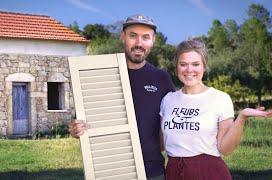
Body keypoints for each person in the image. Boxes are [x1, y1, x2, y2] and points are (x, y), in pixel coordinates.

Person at [69, 14, 175, 179]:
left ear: (153, 41)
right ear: (122, 37)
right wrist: (77, 129)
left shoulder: (162, 78)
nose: (139, 43)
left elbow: (174, 124)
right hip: (110, 171)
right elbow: (83, 120)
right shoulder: (99, 75)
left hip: (153, 172)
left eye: (145, 37)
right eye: (133, 36)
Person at [160, 38, 272, 180]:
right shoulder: (168, 100)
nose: (189, 70)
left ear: (204, 66)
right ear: (176, 67)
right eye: (183, 64)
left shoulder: (220, 98)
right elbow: (161, 143)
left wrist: (242, 117)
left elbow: (225, 149)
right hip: (174, 171)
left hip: (209, 172)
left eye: (195, 64)